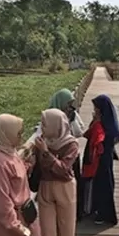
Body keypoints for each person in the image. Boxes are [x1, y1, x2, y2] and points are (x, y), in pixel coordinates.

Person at [34, 109, 80, 236]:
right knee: (47, 228)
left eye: (45, 123)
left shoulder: (71, 144)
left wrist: (46, 153)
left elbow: (63, 169)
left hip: (64, 187)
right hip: (45, 186)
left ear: (56, 125)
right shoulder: (42, 142)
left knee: (66, 225)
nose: (42, 127)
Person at [81, 94, 119, 225]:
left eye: (97, 107)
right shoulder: (101, 120)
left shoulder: (107, 123)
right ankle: (96, 209)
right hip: (98, 156)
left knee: (104, 184)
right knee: (97, 184)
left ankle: (105, 213)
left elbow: (110, 139)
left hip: (103, 158)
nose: (95, 110)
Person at [47, 89, 87, 219]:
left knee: (73, 180)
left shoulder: (71, 114)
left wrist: (70, 120)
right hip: (52, 154)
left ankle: (76, 212)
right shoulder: (49, 115)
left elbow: (80, 130)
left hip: (69, 151)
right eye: (67, 102)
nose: (69, 105)